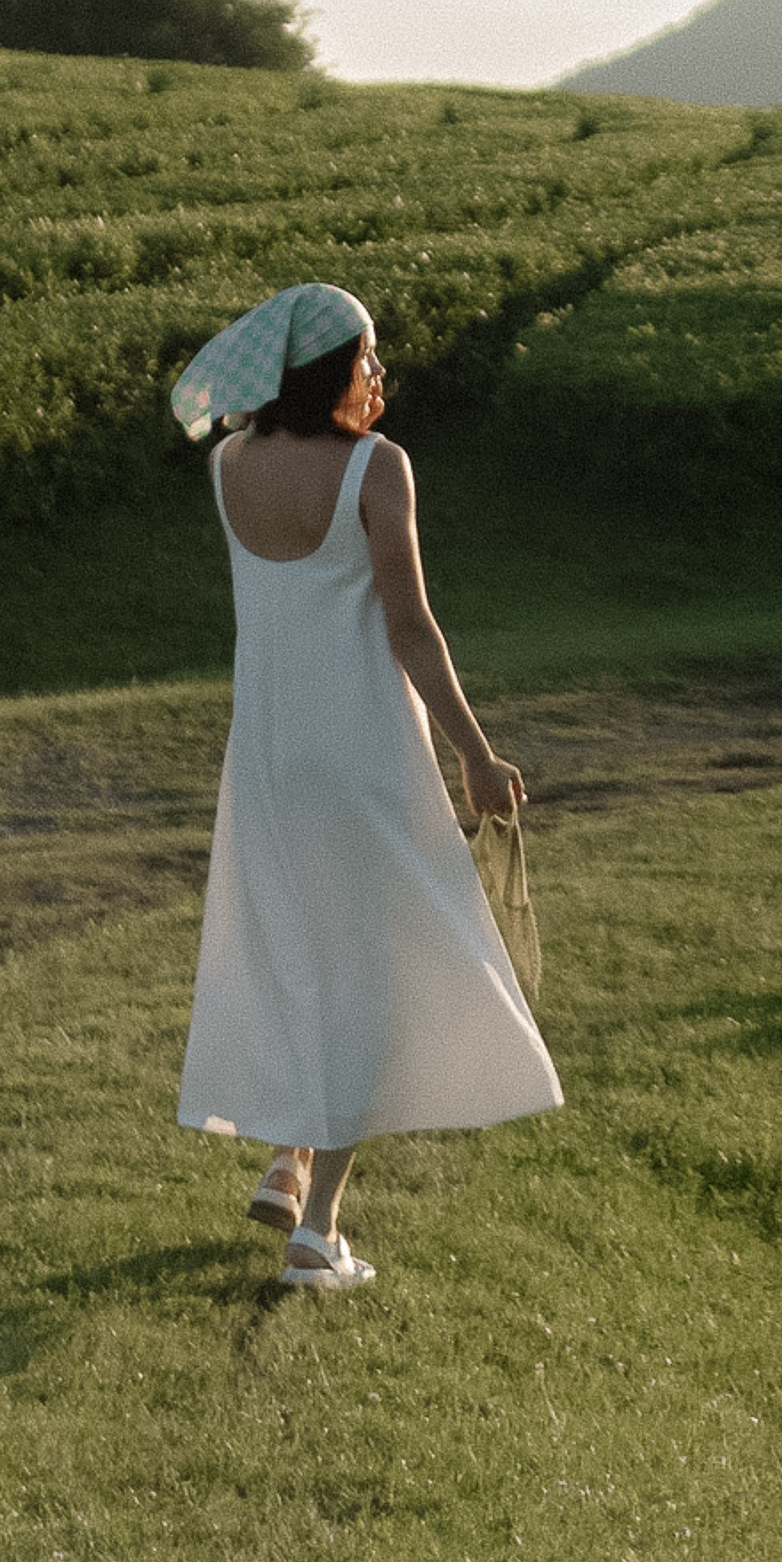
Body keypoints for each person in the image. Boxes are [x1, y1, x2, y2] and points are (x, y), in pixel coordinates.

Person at [171, 281, 561, 1288]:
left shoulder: (229, 467)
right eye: (369, 359)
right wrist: (477, 752)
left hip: (266, 754)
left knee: (298, 946)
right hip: (362, 749)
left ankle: (288, 1159)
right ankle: (319, 1232)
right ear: (333, 370)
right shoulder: (377, 469)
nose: (379, 376)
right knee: (377, 973)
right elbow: (409, 627)